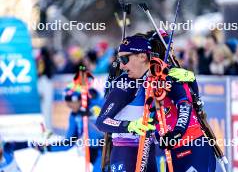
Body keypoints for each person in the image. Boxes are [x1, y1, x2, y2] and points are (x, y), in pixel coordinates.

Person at [146, 30, 216, 171]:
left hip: (191, 143)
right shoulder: (149, 76)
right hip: (173, 148)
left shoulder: (170, 73)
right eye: (169, 47)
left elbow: (187, 104)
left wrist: (177, 132)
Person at [96, 35, 158, 172]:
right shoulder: (125, 83)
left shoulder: (158, 78)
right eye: (120, 60)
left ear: (142, 56)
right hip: (125, 151)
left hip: (151, 149)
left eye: (125, 59)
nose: (122, 66)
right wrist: (129, 125)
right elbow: (101, 121)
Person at [33, 83, 104, 171]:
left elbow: (108, 122)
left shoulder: (99, 102)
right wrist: (47, 147)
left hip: (111, 147)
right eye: (68, 104)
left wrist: (91, 116)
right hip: (95, 152)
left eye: (72, 103)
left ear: (81, 98)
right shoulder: (75, 115)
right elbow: (68, 142)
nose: (70, 106)